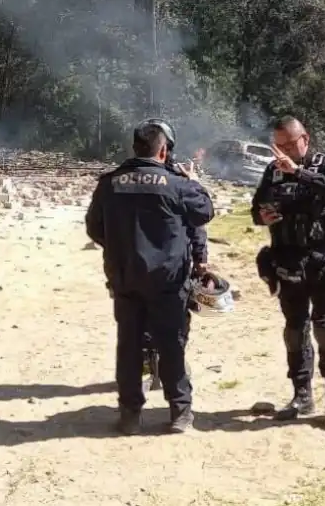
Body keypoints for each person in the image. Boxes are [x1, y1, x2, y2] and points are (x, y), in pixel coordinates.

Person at [85, 118, 215, 435]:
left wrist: (123, 251)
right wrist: (194, 181)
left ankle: (130, 414)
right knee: (172, 345)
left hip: (126, 279)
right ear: (163, 151)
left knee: (129, 346)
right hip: (168, 283)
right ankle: (180, 413)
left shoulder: (109, 183)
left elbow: (94, 228)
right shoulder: (177, 184)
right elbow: (205, 212)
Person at [251, 116, 325, 429]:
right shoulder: (272, 171)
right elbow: (257, 207)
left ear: (304, 139)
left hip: (323, 260)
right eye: (277, 145)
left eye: (288, 144)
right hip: (287, 260)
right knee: (295, 331)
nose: (281, 152)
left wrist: (298, 172)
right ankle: (301, 394)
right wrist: (263, 216)